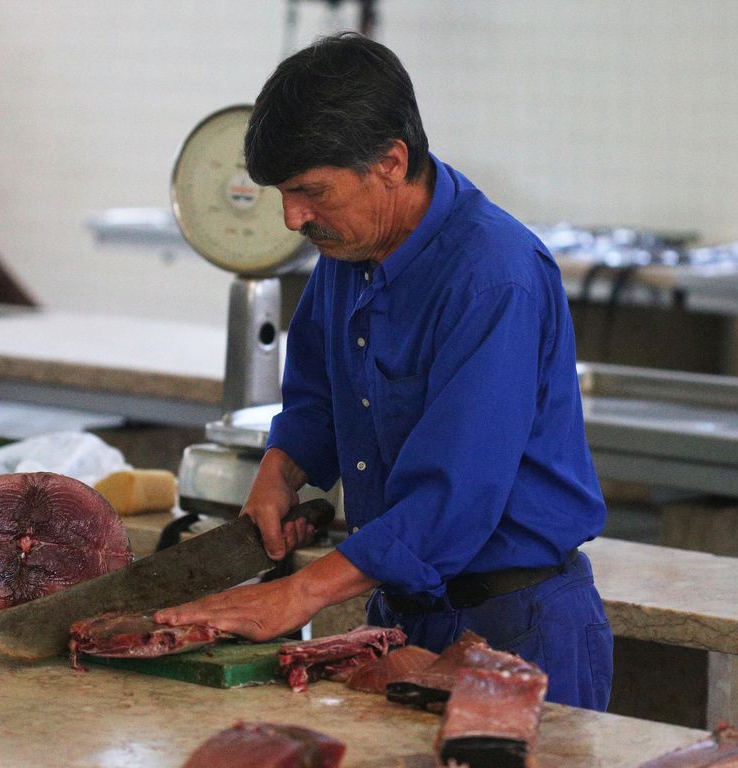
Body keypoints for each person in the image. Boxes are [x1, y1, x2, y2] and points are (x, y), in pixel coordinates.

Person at [157, 32, 613, 711]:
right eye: (283, 193)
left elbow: (452, 498)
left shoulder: (494, 277)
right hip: (402, 616)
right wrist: (277, 476)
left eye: (310, 191)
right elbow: (315, 394)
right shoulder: (347, 251)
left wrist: (292, 597)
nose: (292, 217)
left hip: (518, 624)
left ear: (391, 163)